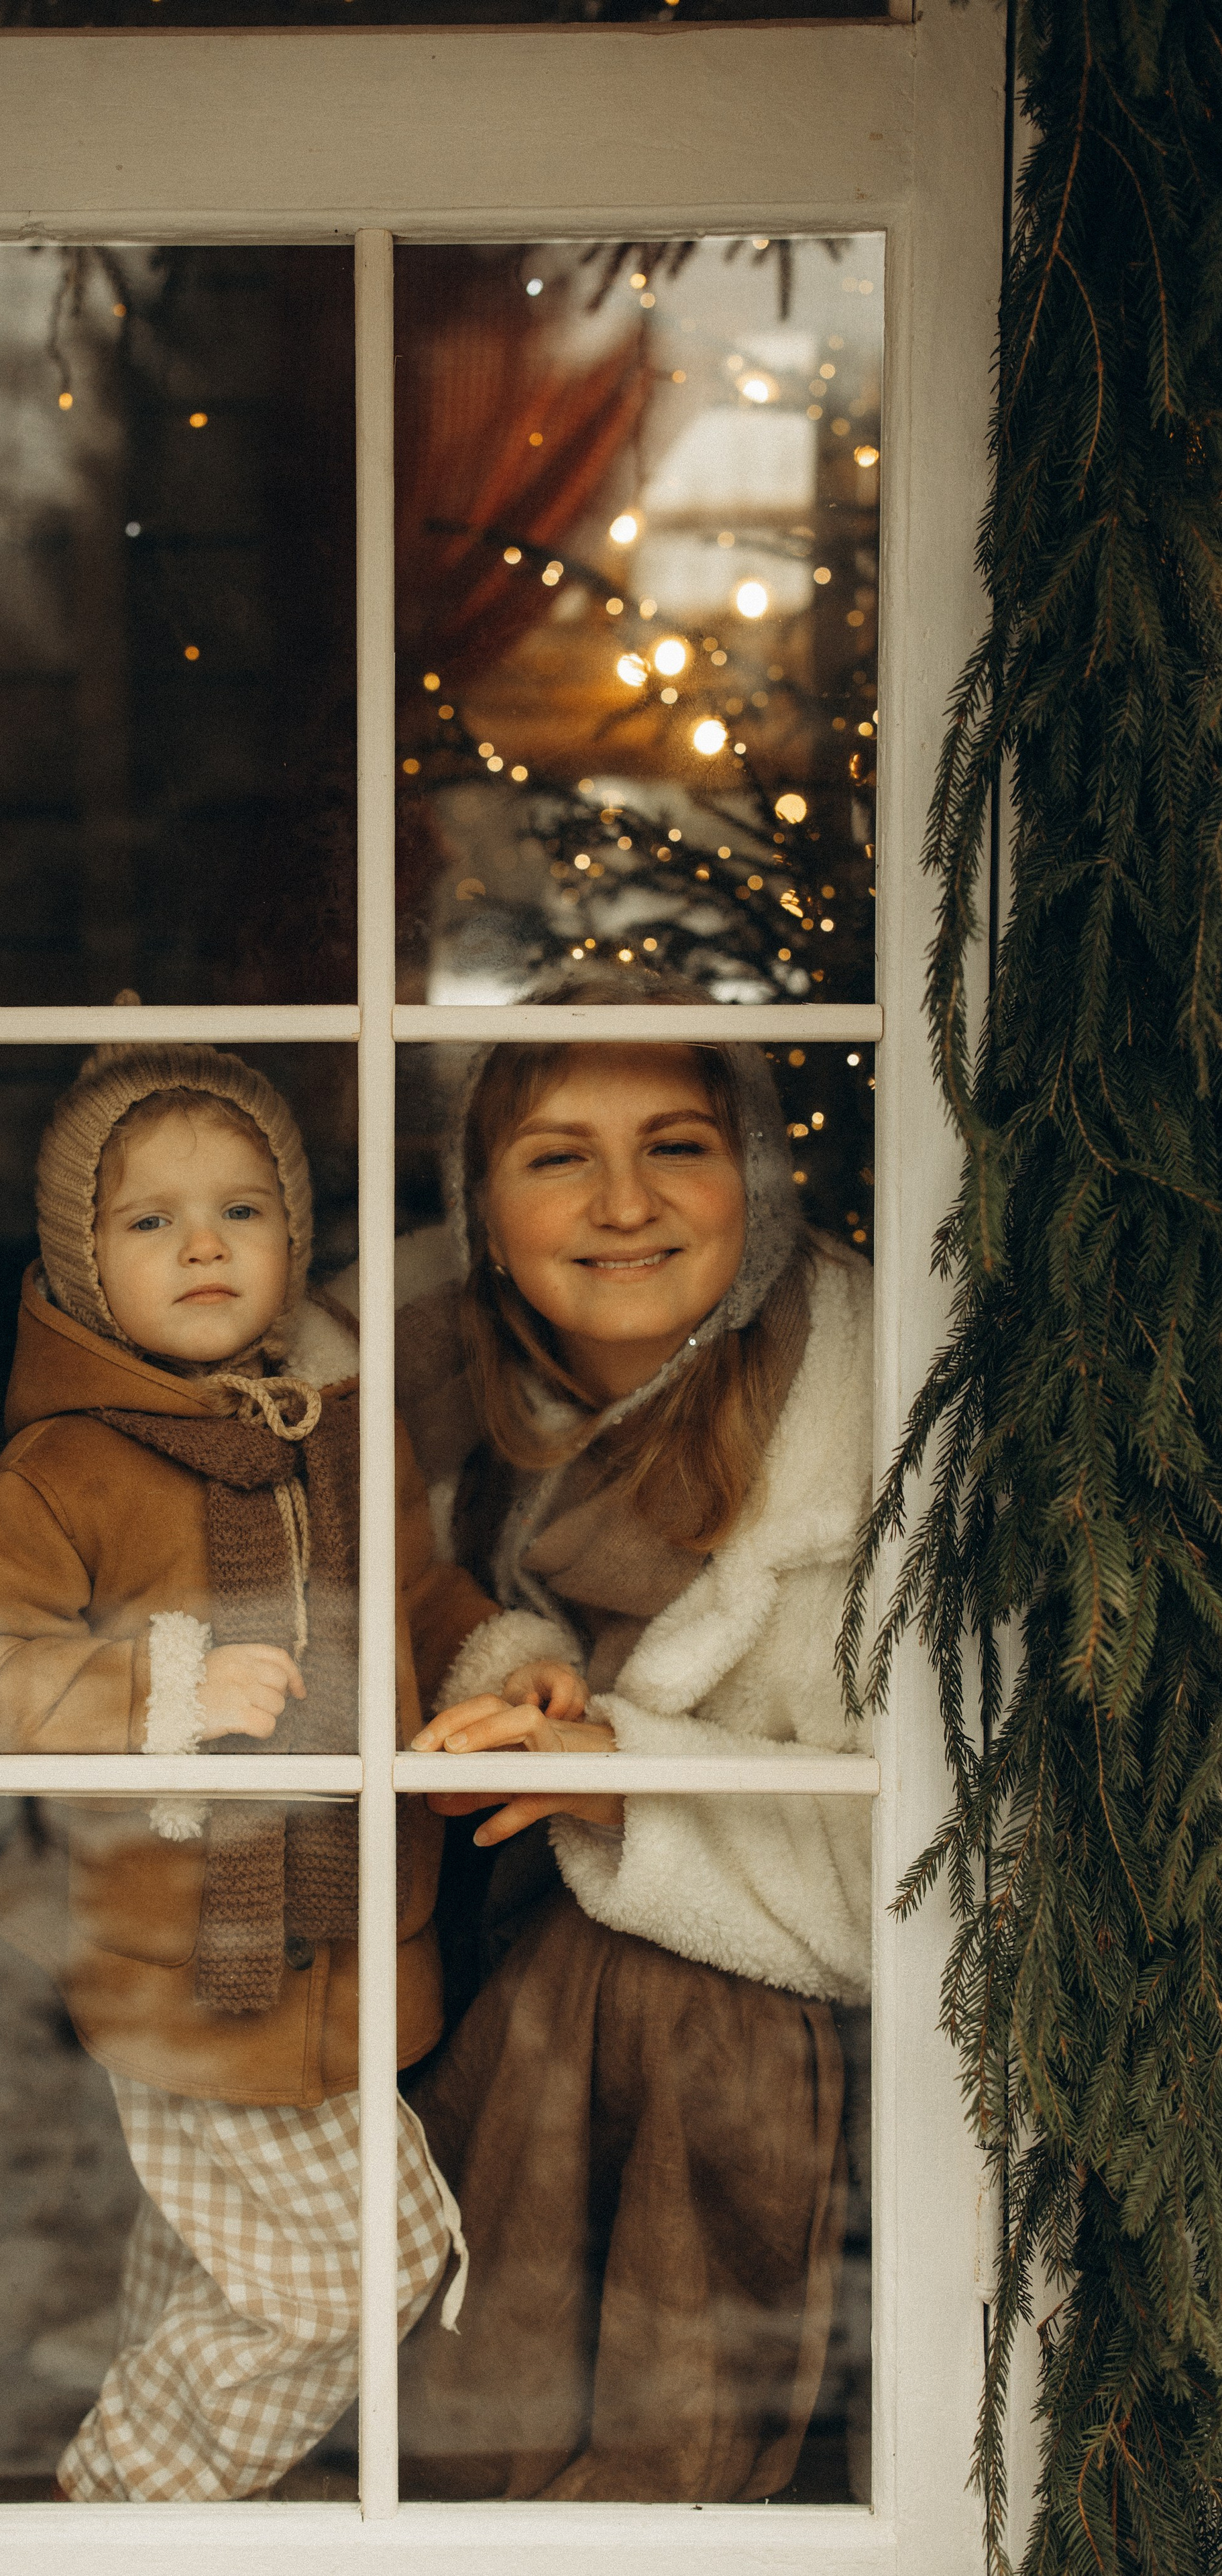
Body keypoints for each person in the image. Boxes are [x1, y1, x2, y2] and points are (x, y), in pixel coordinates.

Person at [0, 1043, 491, 2503]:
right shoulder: (67, 1468)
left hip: (354, 1939)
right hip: (182, 1960)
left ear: (294, 1240)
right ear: (82, 1264)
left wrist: (503, 1670)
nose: (205, 1246)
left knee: (206, 2268)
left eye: (242, 1210)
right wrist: (163, 1689)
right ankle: (121, 2506)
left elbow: (421, 1609)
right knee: (362, 2269)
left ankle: (171, 2507)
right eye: (150, 1220)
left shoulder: (346, 1432)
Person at [396, 996, 874, 2504]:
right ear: (481, 1218)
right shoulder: (436, 1396)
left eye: (677, 1147)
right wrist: (515, 1681)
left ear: (759, 1183)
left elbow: (918, 1881)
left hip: (809, 2075)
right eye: (557, 1158)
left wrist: (624, 1777)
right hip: (484, 1976)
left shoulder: (870, 1425)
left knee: (665, 1997)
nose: (622, 1205)